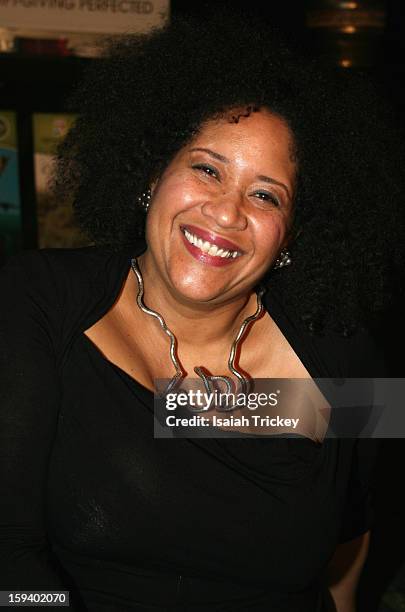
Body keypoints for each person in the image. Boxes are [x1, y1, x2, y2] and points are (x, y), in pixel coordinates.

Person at [0, 13, 403, 612]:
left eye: (266, 194)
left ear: (290, 236)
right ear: (152, 175)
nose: (226, 211)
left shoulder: (341, 350)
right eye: (207, 168)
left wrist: (200, 408)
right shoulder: (36, 298)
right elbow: (10, 561)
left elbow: (353, 537)